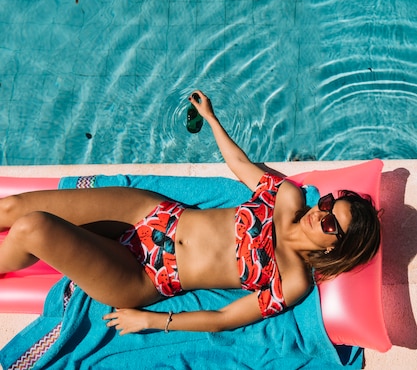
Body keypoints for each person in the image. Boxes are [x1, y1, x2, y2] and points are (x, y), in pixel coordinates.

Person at [0, 91, 380, 336]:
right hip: (149, 213)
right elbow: (240, 163)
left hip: (146, 275)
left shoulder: (293, 279)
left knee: (32, 228)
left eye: (330, 222)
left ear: (335, 248)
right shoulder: (288, 198)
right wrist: (212, 118)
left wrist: (151, 320)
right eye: (328, 204)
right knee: (14, 208)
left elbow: (224, 319)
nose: (320, 213)